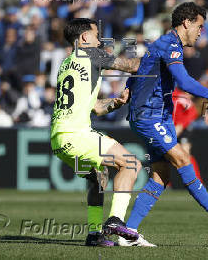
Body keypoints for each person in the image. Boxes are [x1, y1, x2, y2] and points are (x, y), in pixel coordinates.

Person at [122, 2, 208, 247]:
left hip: (157, 115)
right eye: (200, 26)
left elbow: (142, 70)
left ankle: (129, 233)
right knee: (183, 159)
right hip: (149, 115)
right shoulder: (170, 44)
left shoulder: (164, 44)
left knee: (160, 176)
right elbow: (184, 82)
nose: (201, 31)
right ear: (187, 22)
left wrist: (127, 90)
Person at [50, 18, 143, 247]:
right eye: (96, 35)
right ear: (84, 38)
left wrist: (115, 103)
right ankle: (115, 220)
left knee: (98, 177)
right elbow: (132, 66)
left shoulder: (67, 63)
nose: (100, 40)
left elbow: (95, 108)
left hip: (58, 139)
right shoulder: (91, 54)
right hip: (76, 134)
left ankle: (93, 234)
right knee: (131, 165)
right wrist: (159, 55)